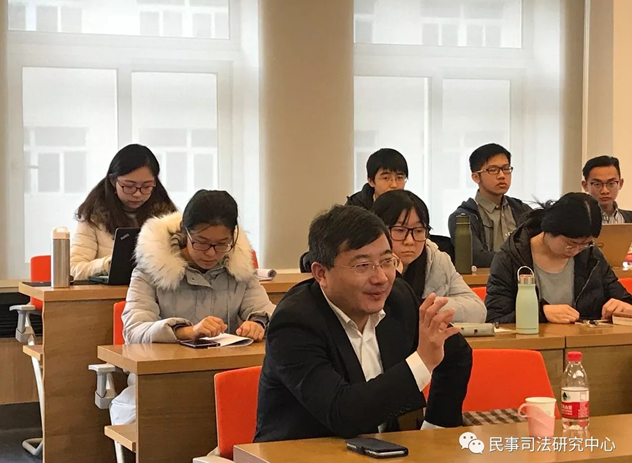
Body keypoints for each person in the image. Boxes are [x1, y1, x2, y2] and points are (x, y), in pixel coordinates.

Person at [255, 205, 472, 442]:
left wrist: (434, 432)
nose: (380, 278)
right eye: (362, 266)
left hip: (382, 452)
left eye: (387, 261)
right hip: (298, 453)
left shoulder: (397, 299)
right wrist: (422, 362)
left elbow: (456, 354)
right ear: (321, 274)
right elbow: (342, 413)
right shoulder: (294, 322)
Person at [111, 190, 274, 426]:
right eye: (202, 242)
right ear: (184, 231)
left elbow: (266, 310)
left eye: (222, 244)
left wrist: (258, 323)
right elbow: (134, 330)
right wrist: (185, 331)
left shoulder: (239, 269)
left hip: (226, 376)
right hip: (162, 382)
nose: (211, 253)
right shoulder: (150, 269)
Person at [485, 193, 632, 324]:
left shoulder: (591, 256)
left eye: (585, 244)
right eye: (570, 244)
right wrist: (541, 313)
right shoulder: (510, 258)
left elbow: (622, 298)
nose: (576, 250)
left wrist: (625, 308)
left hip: (584, 341)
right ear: (550, 229)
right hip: (531, 342)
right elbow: (495, 318)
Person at [373, 190, 486, 323]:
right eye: (400, 230)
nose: (409, 241)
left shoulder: (437, 260)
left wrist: (421, 307)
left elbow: (477, 310)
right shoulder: (366, 265)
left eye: (418, 231)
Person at [71, 144, 177, 280]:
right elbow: (73, 269)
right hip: (108, 292)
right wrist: (107, 265)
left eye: (146, 186)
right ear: (113, 180)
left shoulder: (166, 216)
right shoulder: (93, 216)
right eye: (129, 186)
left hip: (153, 291)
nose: (138, 194)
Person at [448, 143, 532, 268]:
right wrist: (519, 258)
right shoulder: (462, 217)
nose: (502, 176)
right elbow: (476, 258)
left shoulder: (521, 210)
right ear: (476, 177)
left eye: (506, 169)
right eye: (493, 170)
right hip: (485, 278)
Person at [581, 155, 632, 223]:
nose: (605, 191)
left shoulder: (629, 218)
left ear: (620, 183)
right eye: (597, 184)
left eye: (611, 183)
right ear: (585, 185)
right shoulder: (576, 221)